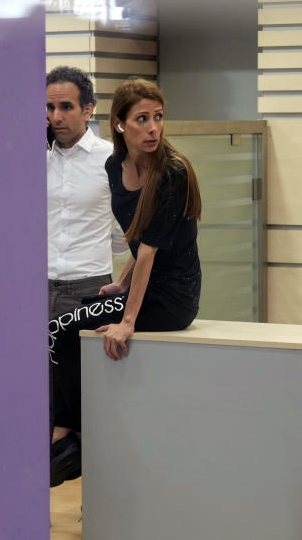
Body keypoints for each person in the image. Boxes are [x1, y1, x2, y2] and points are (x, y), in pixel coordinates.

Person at [47, 78, 202, 485]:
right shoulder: (115, 167)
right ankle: (72, 433)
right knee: (74, 323)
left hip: (172, 297)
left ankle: (71, 436)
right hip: (142, 285)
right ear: (119, 124)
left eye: (158, 118)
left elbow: (151, 250)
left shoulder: (174, 172)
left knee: (60, 329)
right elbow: (136, 235)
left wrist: (128, 319)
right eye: (142, 119)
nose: (153, 128)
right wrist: (122, 282)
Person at [44, 65, 127, 486]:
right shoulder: (33, 157)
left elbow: (127, 231)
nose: (55, 116)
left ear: (88, 109)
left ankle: (97, 510)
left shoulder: (110, 159)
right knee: (39, 401)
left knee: (86, 406)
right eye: (49, 107)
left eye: (65, 107)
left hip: (86, 290)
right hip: (35, 288)